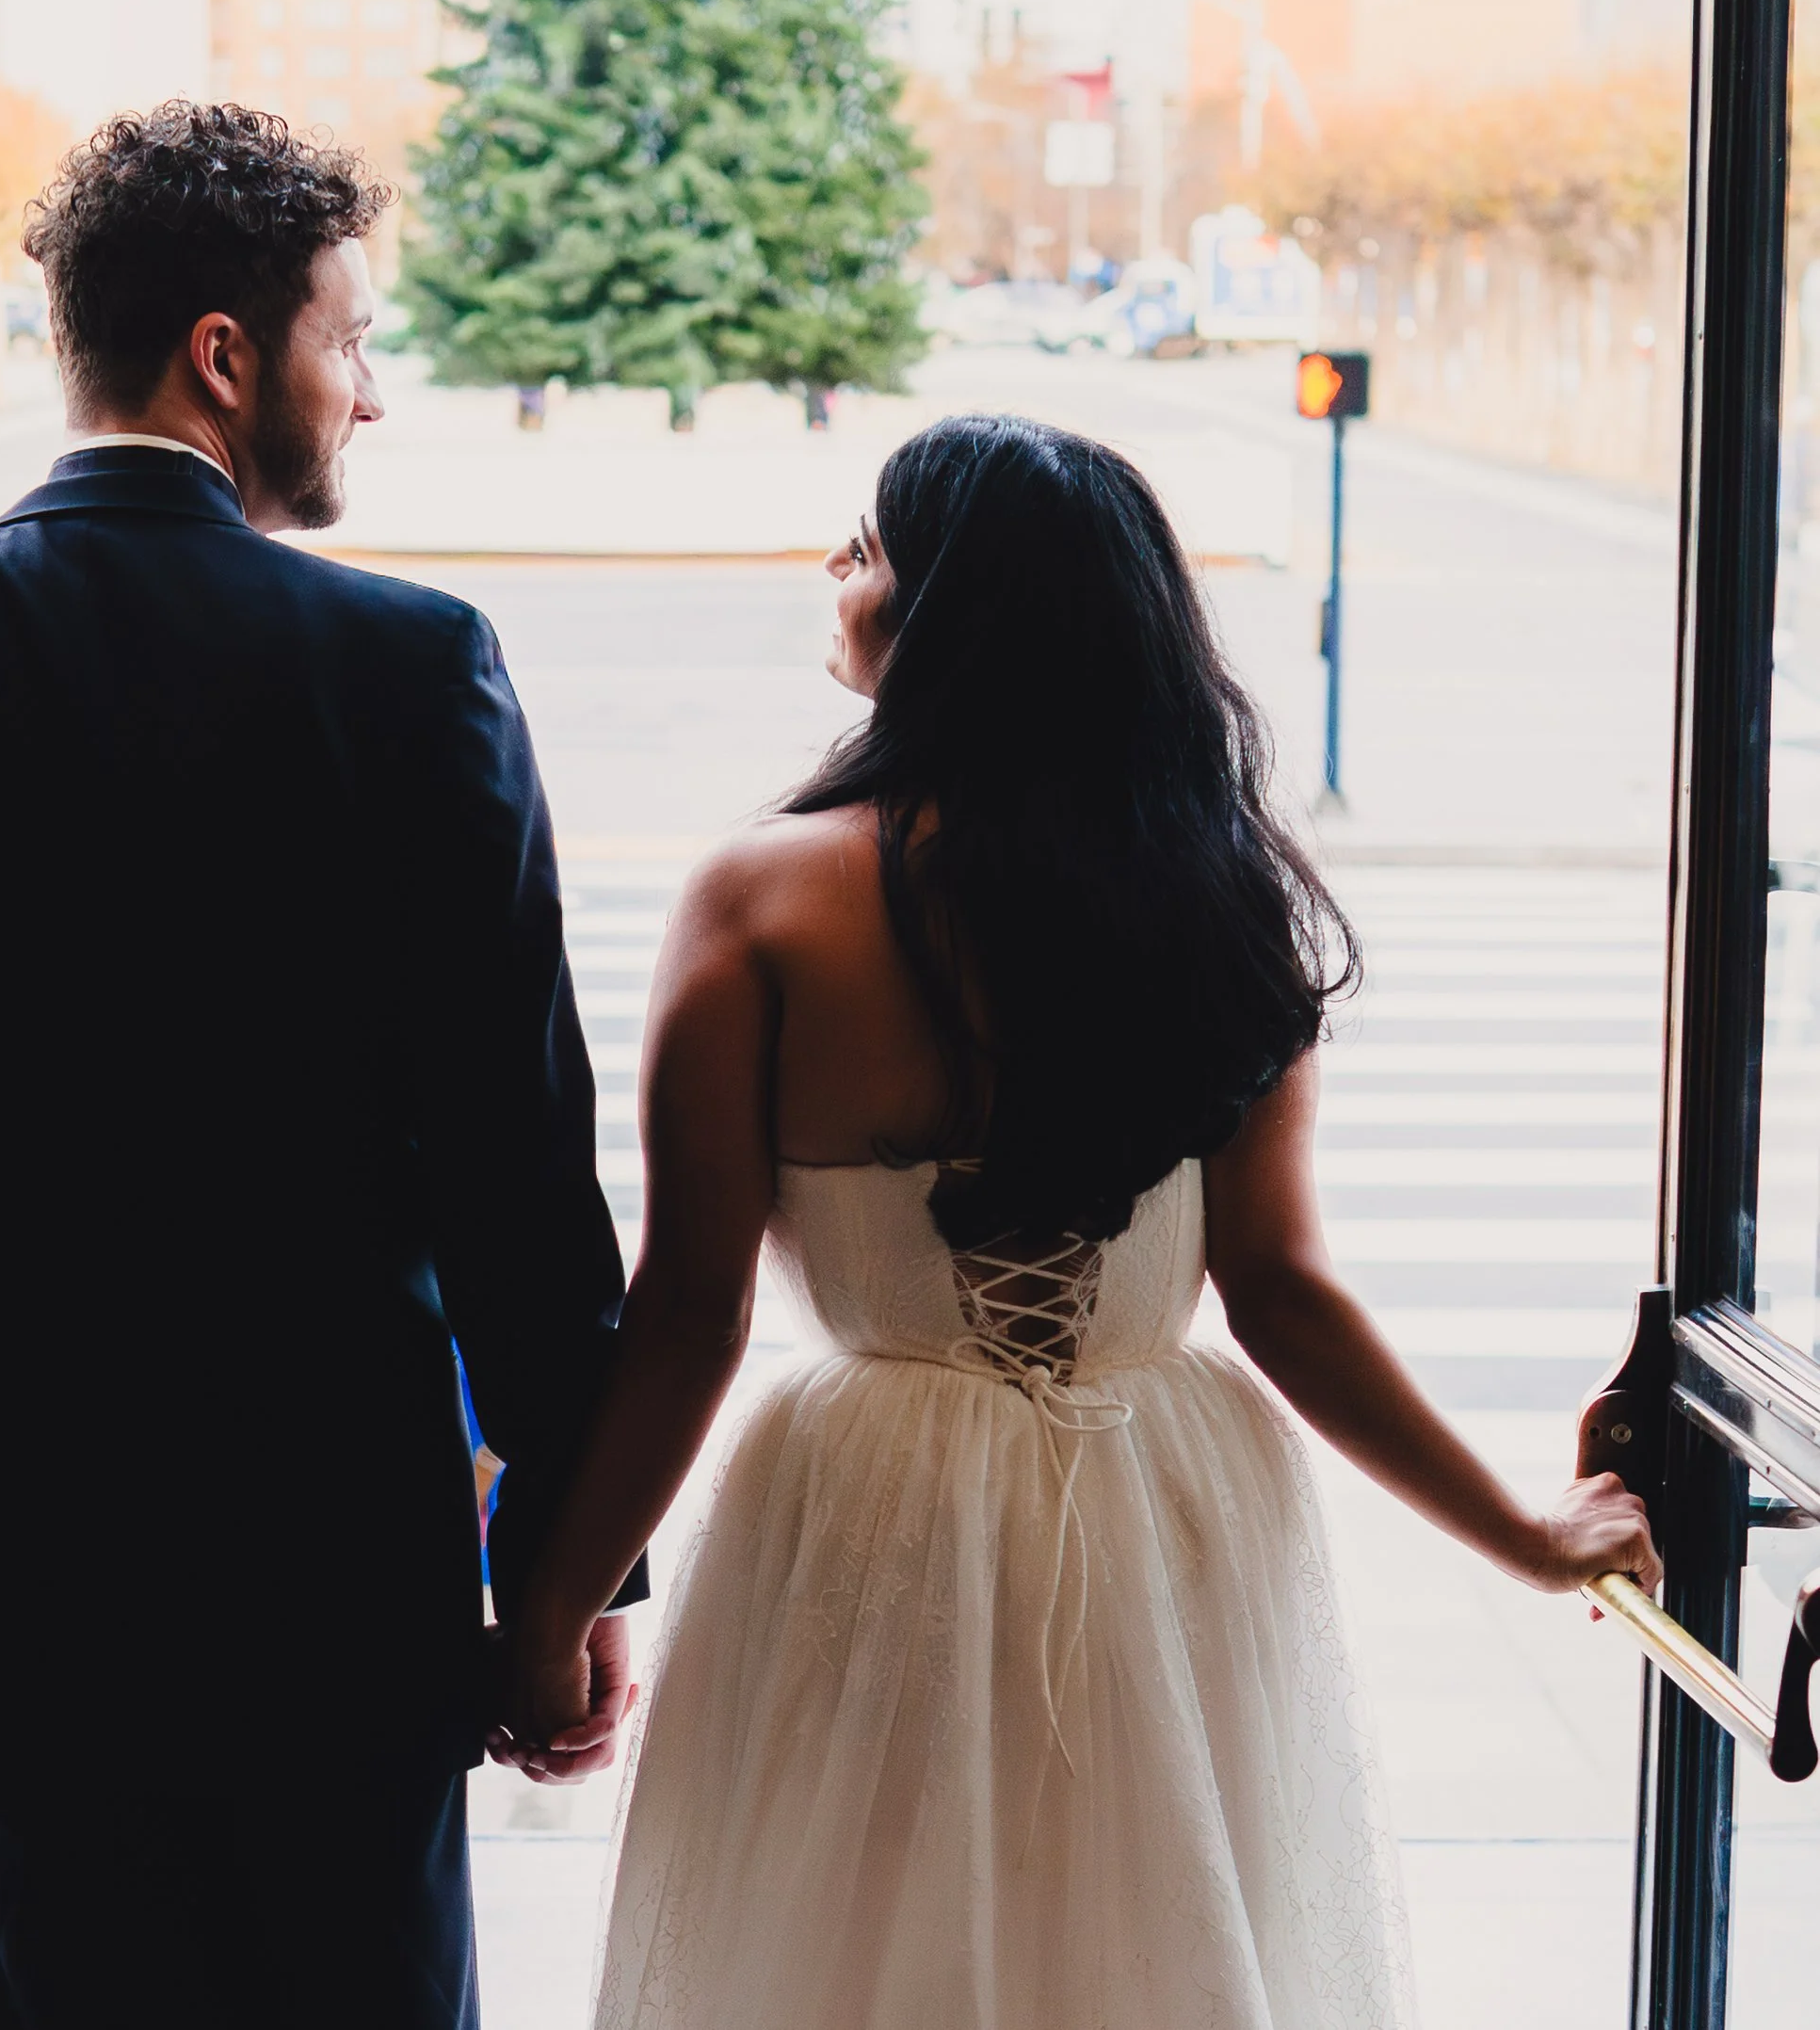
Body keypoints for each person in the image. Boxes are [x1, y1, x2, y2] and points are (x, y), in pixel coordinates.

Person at [0, 103, 640, 2030]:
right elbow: (513, 1168)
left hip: (19, 1597)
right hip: (341, 1585)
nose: (371, 393)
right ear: (225, 357)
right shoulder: (411, 666)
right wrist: (567, 1590)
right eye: (349, 340)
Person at [496, 411, 1658, 2030]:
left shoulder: (760, 898)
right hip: (1167, 1509)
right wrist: (1528, 1537)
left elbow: (693, 1310)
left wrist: (553, 1609)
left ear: (948, 612)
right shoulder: (1224, 890)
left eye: (866, 547)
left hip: (867, 1512)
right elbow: (1282, 1292)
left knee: (859, 1960)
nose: (833, 574)